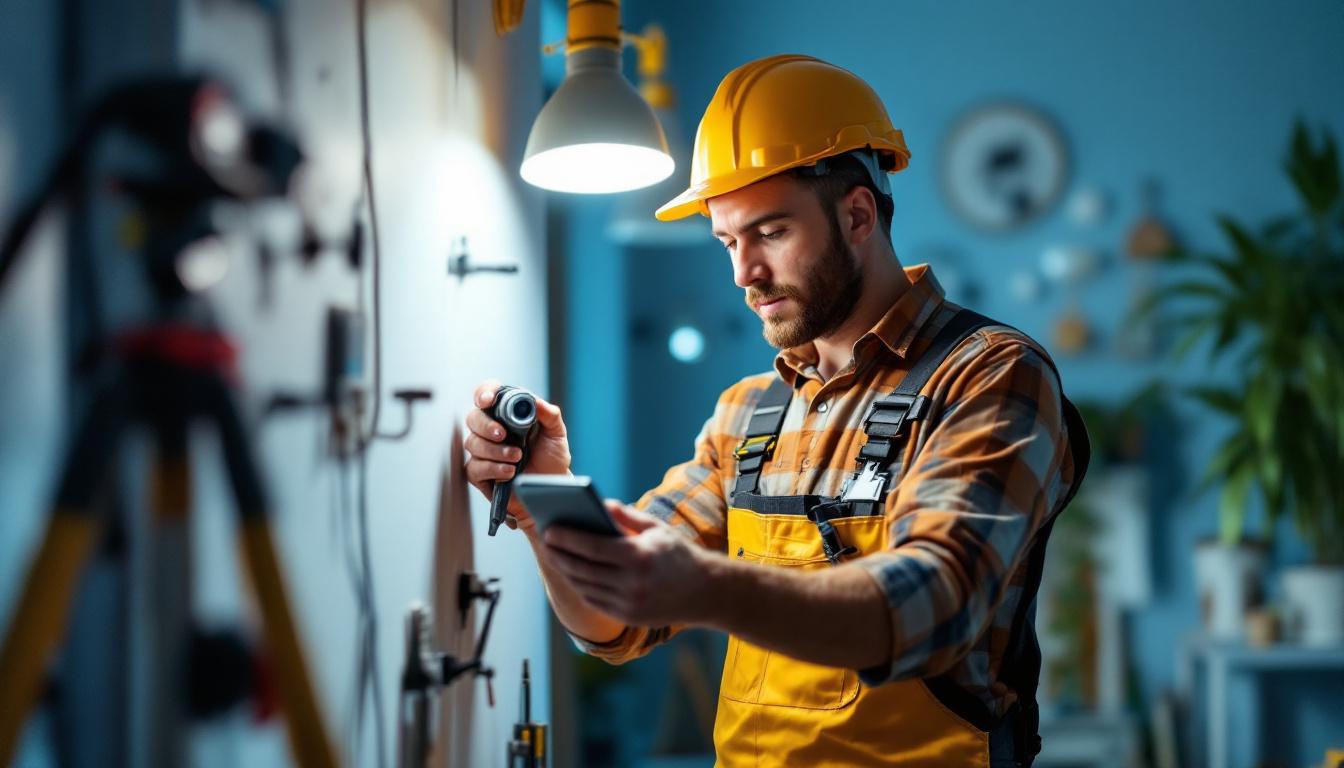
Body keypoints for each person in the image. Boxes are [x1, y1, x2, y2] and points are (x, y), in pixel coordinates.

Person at [464, 54, 1088, 768]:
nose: (743, 274)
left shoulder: (987, 374)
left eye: (770, 233)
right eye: (729, 241)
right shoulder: (748, 414)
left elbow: (935, 606)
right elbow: (614, 624)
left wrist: (707, 587)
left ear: (857, 213)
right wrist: (544, 500)